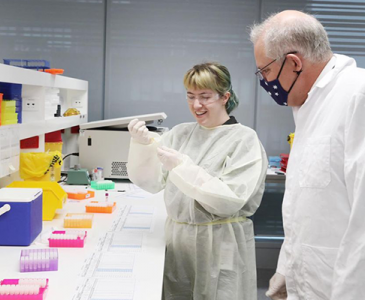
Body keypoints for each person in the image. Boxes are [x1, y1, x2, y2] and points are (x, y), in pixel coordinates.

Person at [127, 62, 267, 300]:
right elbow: (150, 182)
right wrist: (141, 147)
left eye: (205, 96)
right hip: (179, 242)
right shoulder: (180, 133)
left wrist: (182, 167)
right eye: (190, 96)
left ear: (225, 97)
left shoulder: (244, 140)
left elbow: (228, 200)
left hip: (221, 242)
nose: (196, 105)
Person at [250, 10, 365, 300]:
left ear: (293, 63)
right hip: (310, 283)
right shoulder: (308, 106)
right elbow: (304, 208)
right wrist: (288, 269)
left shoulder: (357, 96)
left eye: (265, 71)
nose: (264, 82)